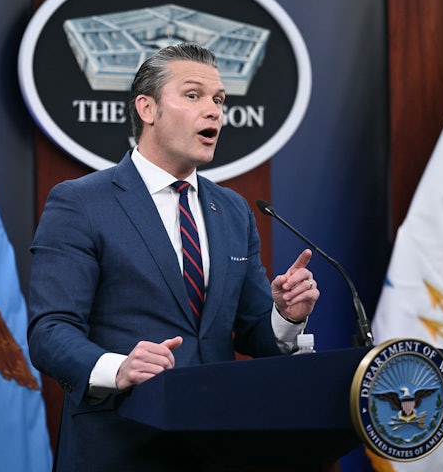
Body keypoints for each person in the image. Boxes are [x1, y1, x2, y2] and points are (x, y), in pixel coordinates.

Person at [27, 42, 320, 471]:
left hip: (217, 448)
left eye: (219, 100)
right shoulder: (81, 202)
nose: (214, 111)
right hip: (120, 446)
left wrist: (285, 316)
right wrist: (117, 367)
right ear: (147, 109)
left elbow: (250, 331)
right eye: (193, 95)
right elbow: (49, 330)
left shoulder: (233, 210)